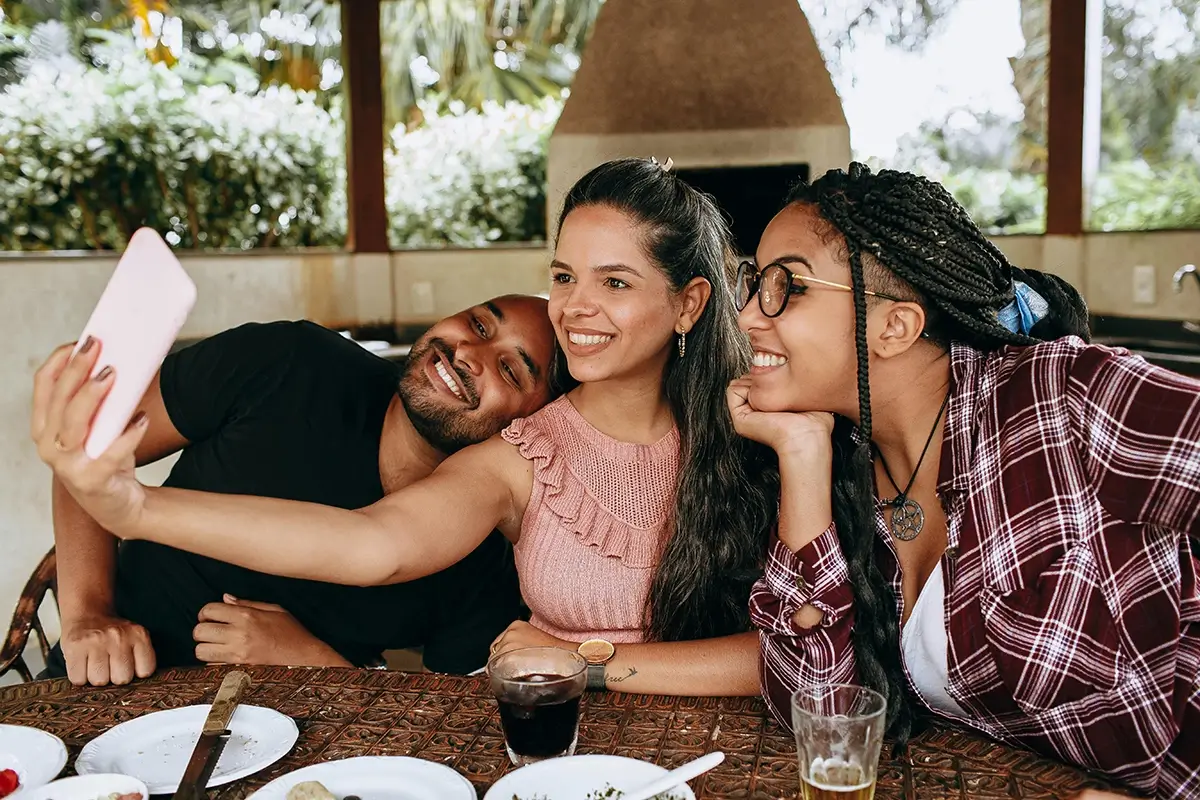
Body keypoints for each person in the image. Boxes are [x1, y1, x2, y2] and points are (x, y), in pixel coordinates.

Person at [32, 157, 777, 696]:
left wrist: (589, 662)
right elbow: (374, 544)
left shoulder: (756, 431)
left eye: (613, 282)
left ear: (688, 306)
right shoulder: (524, 455)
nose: (575, 307)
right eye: (564, 276)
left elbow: (807, 654)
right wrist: (134, 508)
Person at [728, 164, 1199, 797]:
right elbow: (820, 716)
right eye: (756, 282)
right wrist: (802, 457)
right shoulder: (846, 475)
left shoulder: (1063, 400)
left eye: (788, 286)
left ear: (895, 327)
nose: (748, 315)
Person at [41, 294, 557, 686]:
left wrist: (308, 657)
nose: (469, 353)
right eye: (478, 324)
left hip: (301, 746)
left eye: (510, 369)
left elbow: (439, 722)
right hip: (111, 682)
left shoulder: (484, 553)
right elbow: (86, 456)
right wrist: (89, 613)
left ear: (532, 427)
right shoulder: (289, 362)